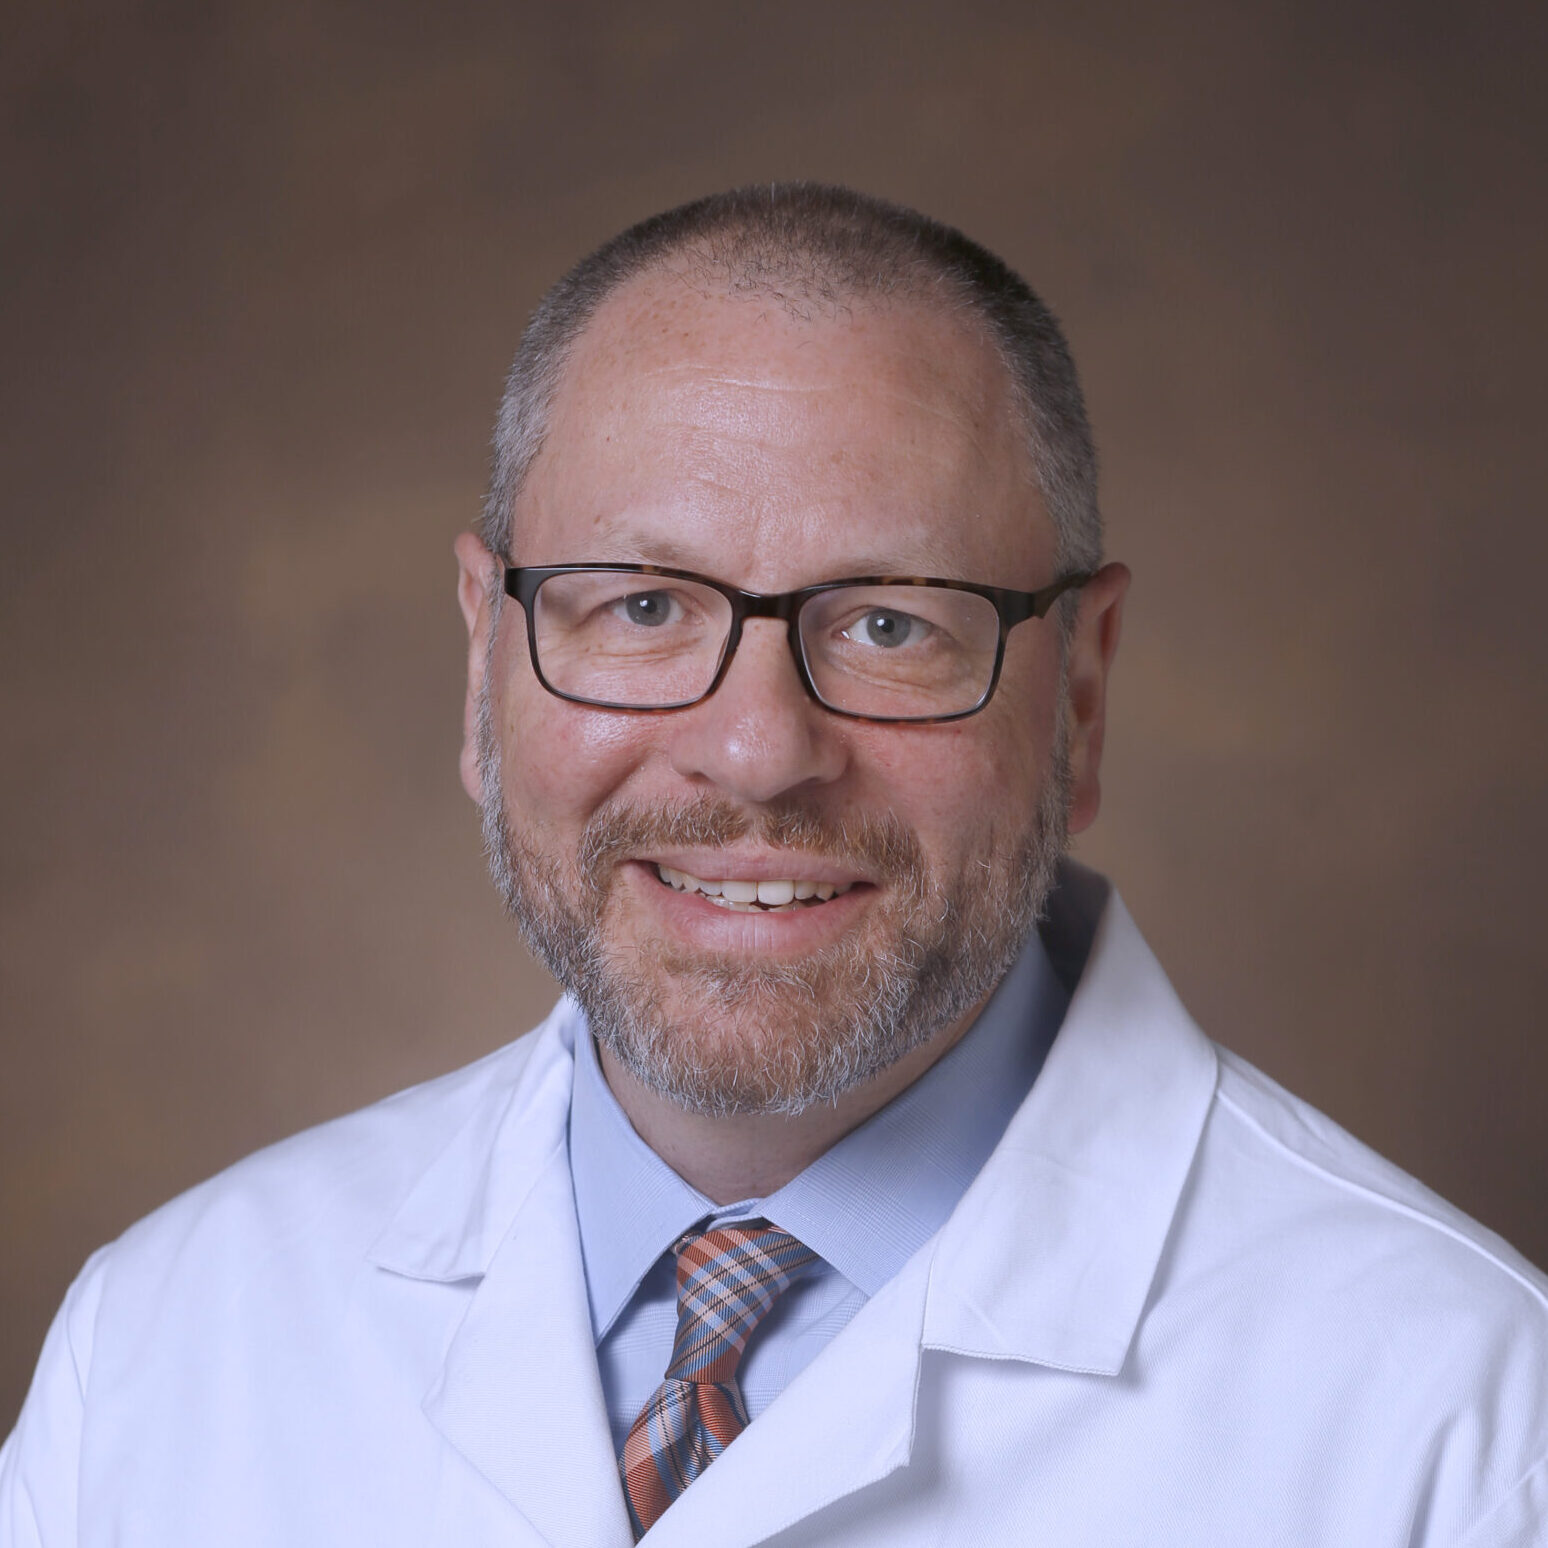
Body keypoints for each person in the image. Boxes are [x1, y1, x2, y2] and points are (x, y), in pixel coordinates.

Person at [3, 184, 1545, 1548]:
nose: (755, 750)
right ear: (485, 664)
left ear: (1079, 693)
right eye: (641, 608)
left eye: (888, 623)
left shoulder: (1463, 1433)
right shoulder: (163, 1353)